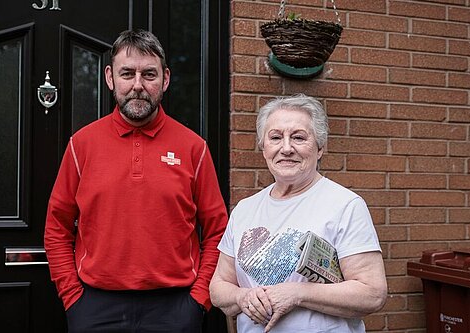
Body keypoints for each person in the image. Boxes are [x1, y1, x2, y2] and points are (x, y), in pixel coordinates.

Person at [44, 29, 228, 333]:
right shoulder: (82, 145)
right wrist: (72, 297)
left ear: (165, 79)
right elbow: (57, 226)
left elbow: (218, 231)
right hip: (94, 309)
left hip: (175, 310)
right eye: (127, 73)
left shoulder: (194, 148)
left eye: (149, 74)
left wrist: (198, 299)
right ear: (110, 78)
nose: (138, 85)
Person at [209, 94, 387, 333]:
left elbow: (372, 293)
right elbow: (219, 286)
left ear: (320, 147)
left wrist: (298, 293)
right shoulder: (245, 209)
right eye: (275, 138)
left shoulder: (345, 205)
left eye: (298, 137)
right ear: (264, 148)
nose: (286, 148)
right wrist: (243, 297)